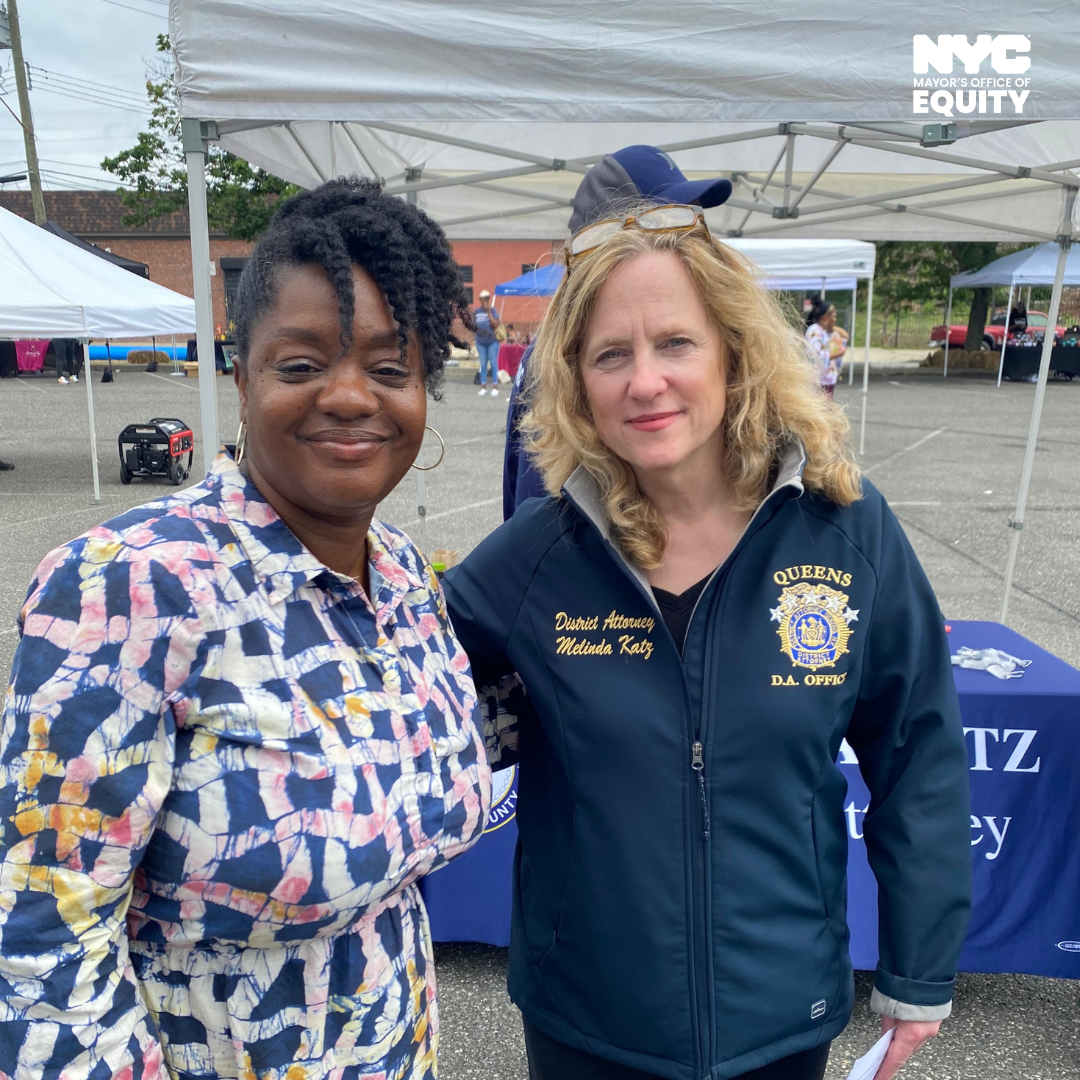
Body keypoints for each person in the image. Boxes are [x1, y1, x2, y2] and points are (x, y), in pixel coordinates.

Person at [444, 208, 971, 1080]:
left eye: (676, 344)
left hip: (780, 1014)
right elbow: (389, 682)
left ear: (734, 351)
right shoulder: (539, 556)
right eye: (611, 354)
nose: (644, 381)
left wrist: (919, 973)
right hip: (588, 1020)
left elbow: (919, 750)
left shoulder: (846, 531)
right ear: (576, 379)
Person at [0, 178, 491, 1080]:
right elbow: (42, 946)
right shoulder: (129, 586)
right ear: (240, 372)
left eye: (390, 368)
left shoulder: (406, 579)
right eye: (302, 365)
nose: (351, 397)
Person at [502, 144, 733, 519]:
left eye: (675, 343)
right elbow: (538, 487)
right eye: (663, 217)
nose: (686, 230)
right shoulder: (555, 359)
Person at [805, 298, 844, 398]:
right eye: (834, 317)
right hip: (819, 382)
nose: (835, 320)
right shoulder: (814, 331)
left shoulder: (823, 332)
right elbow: (815, 356)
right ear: (825, 317)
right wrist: (838, 354)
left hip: (825, 380)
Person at [474, 288, 502, 397]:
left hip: (492, 342)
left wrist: (488, 312)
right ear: (480, 299)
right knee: (483, 364)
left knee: (494, 363)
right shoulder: (476, 312)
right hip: (480, 342)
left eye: (487, 298)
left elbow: (496, 324)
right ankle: (483, 386)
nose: (485, 300)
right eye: (483, 298)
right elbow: (473, 326)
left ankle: (495, 386)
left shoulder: (493, 310)